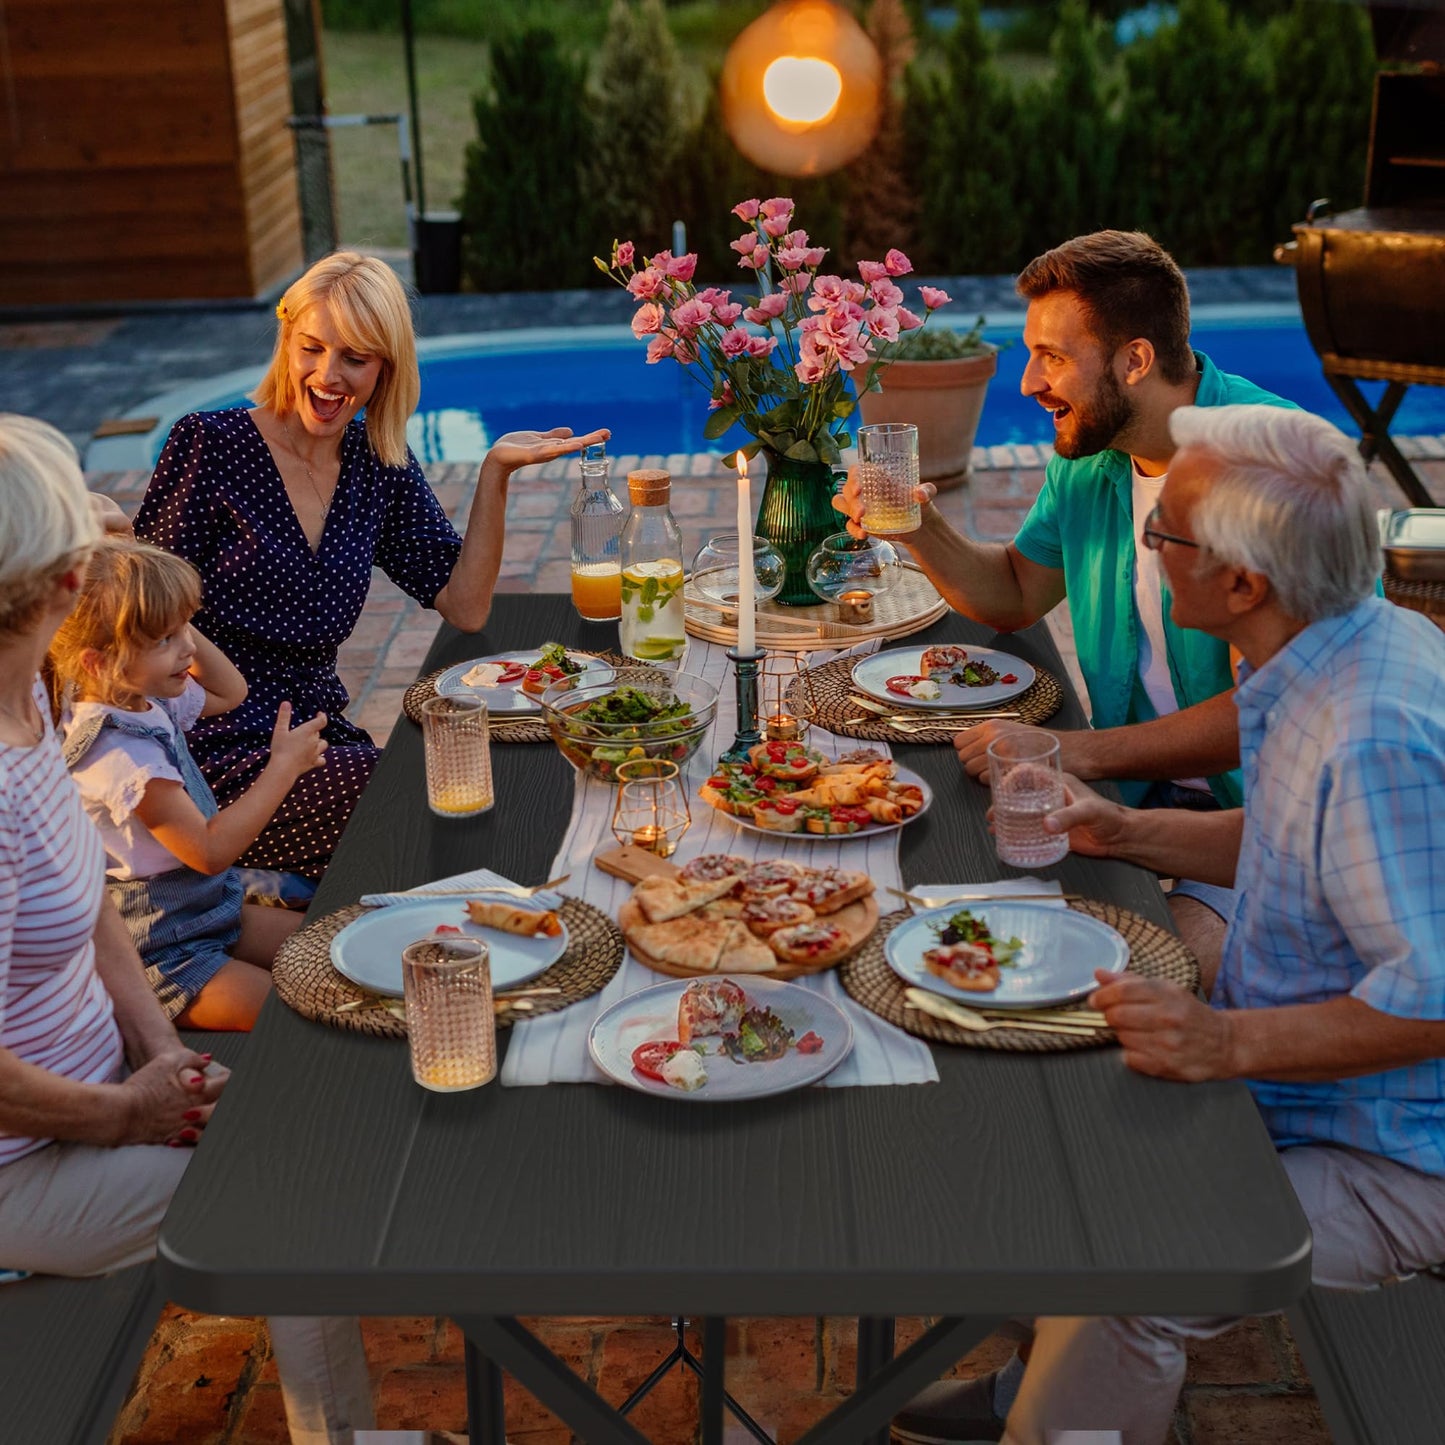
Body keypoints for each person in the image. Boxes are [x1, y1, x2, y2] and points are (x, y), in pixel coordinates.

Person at [892, 404, 1445, 1445]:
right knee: (1046, 1128)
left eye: (1166, 534)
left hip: (1400, 1149)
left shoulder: (1367, 731)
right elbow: (1296, 838)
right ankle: (1037, 1386)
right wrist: (1126, 829)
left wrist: (1224, 1039)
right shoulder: (1324, 650)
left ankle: (1061, 1414)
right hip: (1307, 1081)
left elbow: (1432, 997)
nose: (1147, 547)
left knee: (1140, 1264)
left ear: (1240, 583)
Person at [0, 414, 374, 1444]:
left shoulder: (32, 709)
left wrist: (161, 1053)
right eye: (84, 543)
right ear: (61, 586)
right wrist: (129, 1112)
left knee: (303, 1095)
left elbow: (93, 912)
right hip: (26, 1159)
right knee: (289, 1182)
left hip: (111, 1072)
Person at [835, 232, 1294, 960]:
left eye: (1051, 356)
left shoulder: (1269, 470)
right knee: (933, 891)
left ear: (1134, 360)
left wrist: (1078, 752)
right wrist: (917, 525)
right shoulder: (1091, 456)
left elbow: (1278, 709)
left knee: (1143, 973)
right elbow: (1017, 589)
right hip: (1133, 797)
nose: (1025, 382)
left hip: (1264, 823)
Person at [135, 250, 609, 879]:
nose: (328, 376)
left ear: (386, 368)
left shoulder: (375, 462)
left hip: (320, 741)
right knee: (431, 808)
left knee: (496, 771)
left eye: (354, 358)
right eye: (312, 348)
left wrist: (495, 473)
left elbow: (464, 605)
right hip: (214, 749)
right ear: (287, 341)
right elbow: (142, 610)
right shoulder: (211, 445)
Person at [48, 538, 328, 1029]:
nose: (189, 649)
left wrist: (166, 614)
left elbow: (230, 690)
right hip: (164, 953)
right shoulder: (120, 757)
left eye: (184, 631)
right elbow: (209, 849)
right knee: (299, 1016)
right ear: (98, 662)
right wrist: (282, 768)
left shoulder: (139, 697)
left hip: (212, 908)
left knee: (331, 956)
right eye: (164, 640)